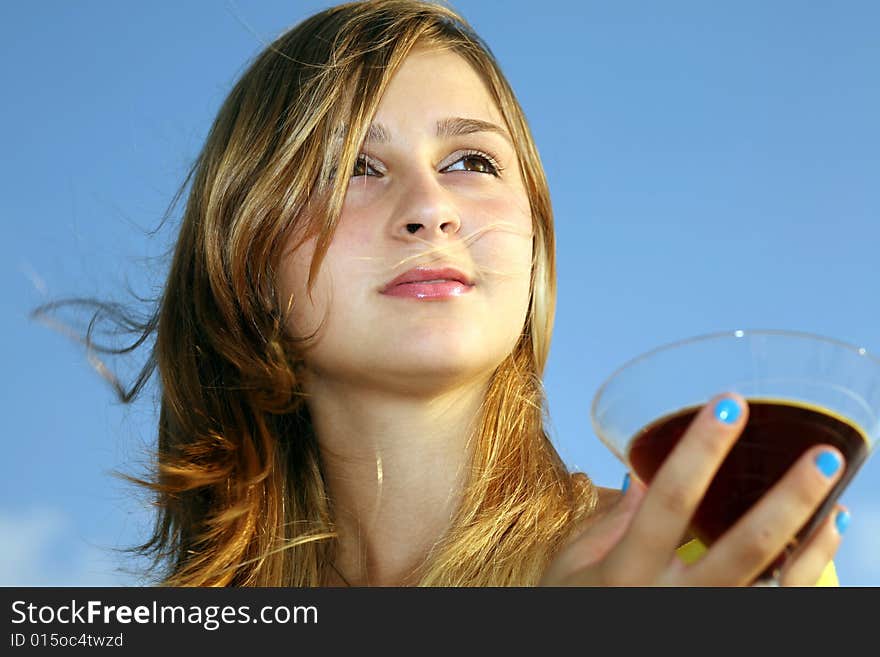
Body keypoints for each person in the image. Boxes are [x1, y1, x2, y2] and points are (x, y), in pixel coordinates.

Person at [42, 0, 846, 586]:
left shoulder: (707, 564)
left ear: (535, 241)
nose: (431, 207)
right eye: (355, 166)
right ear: (244, 260)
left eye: (472, 162)